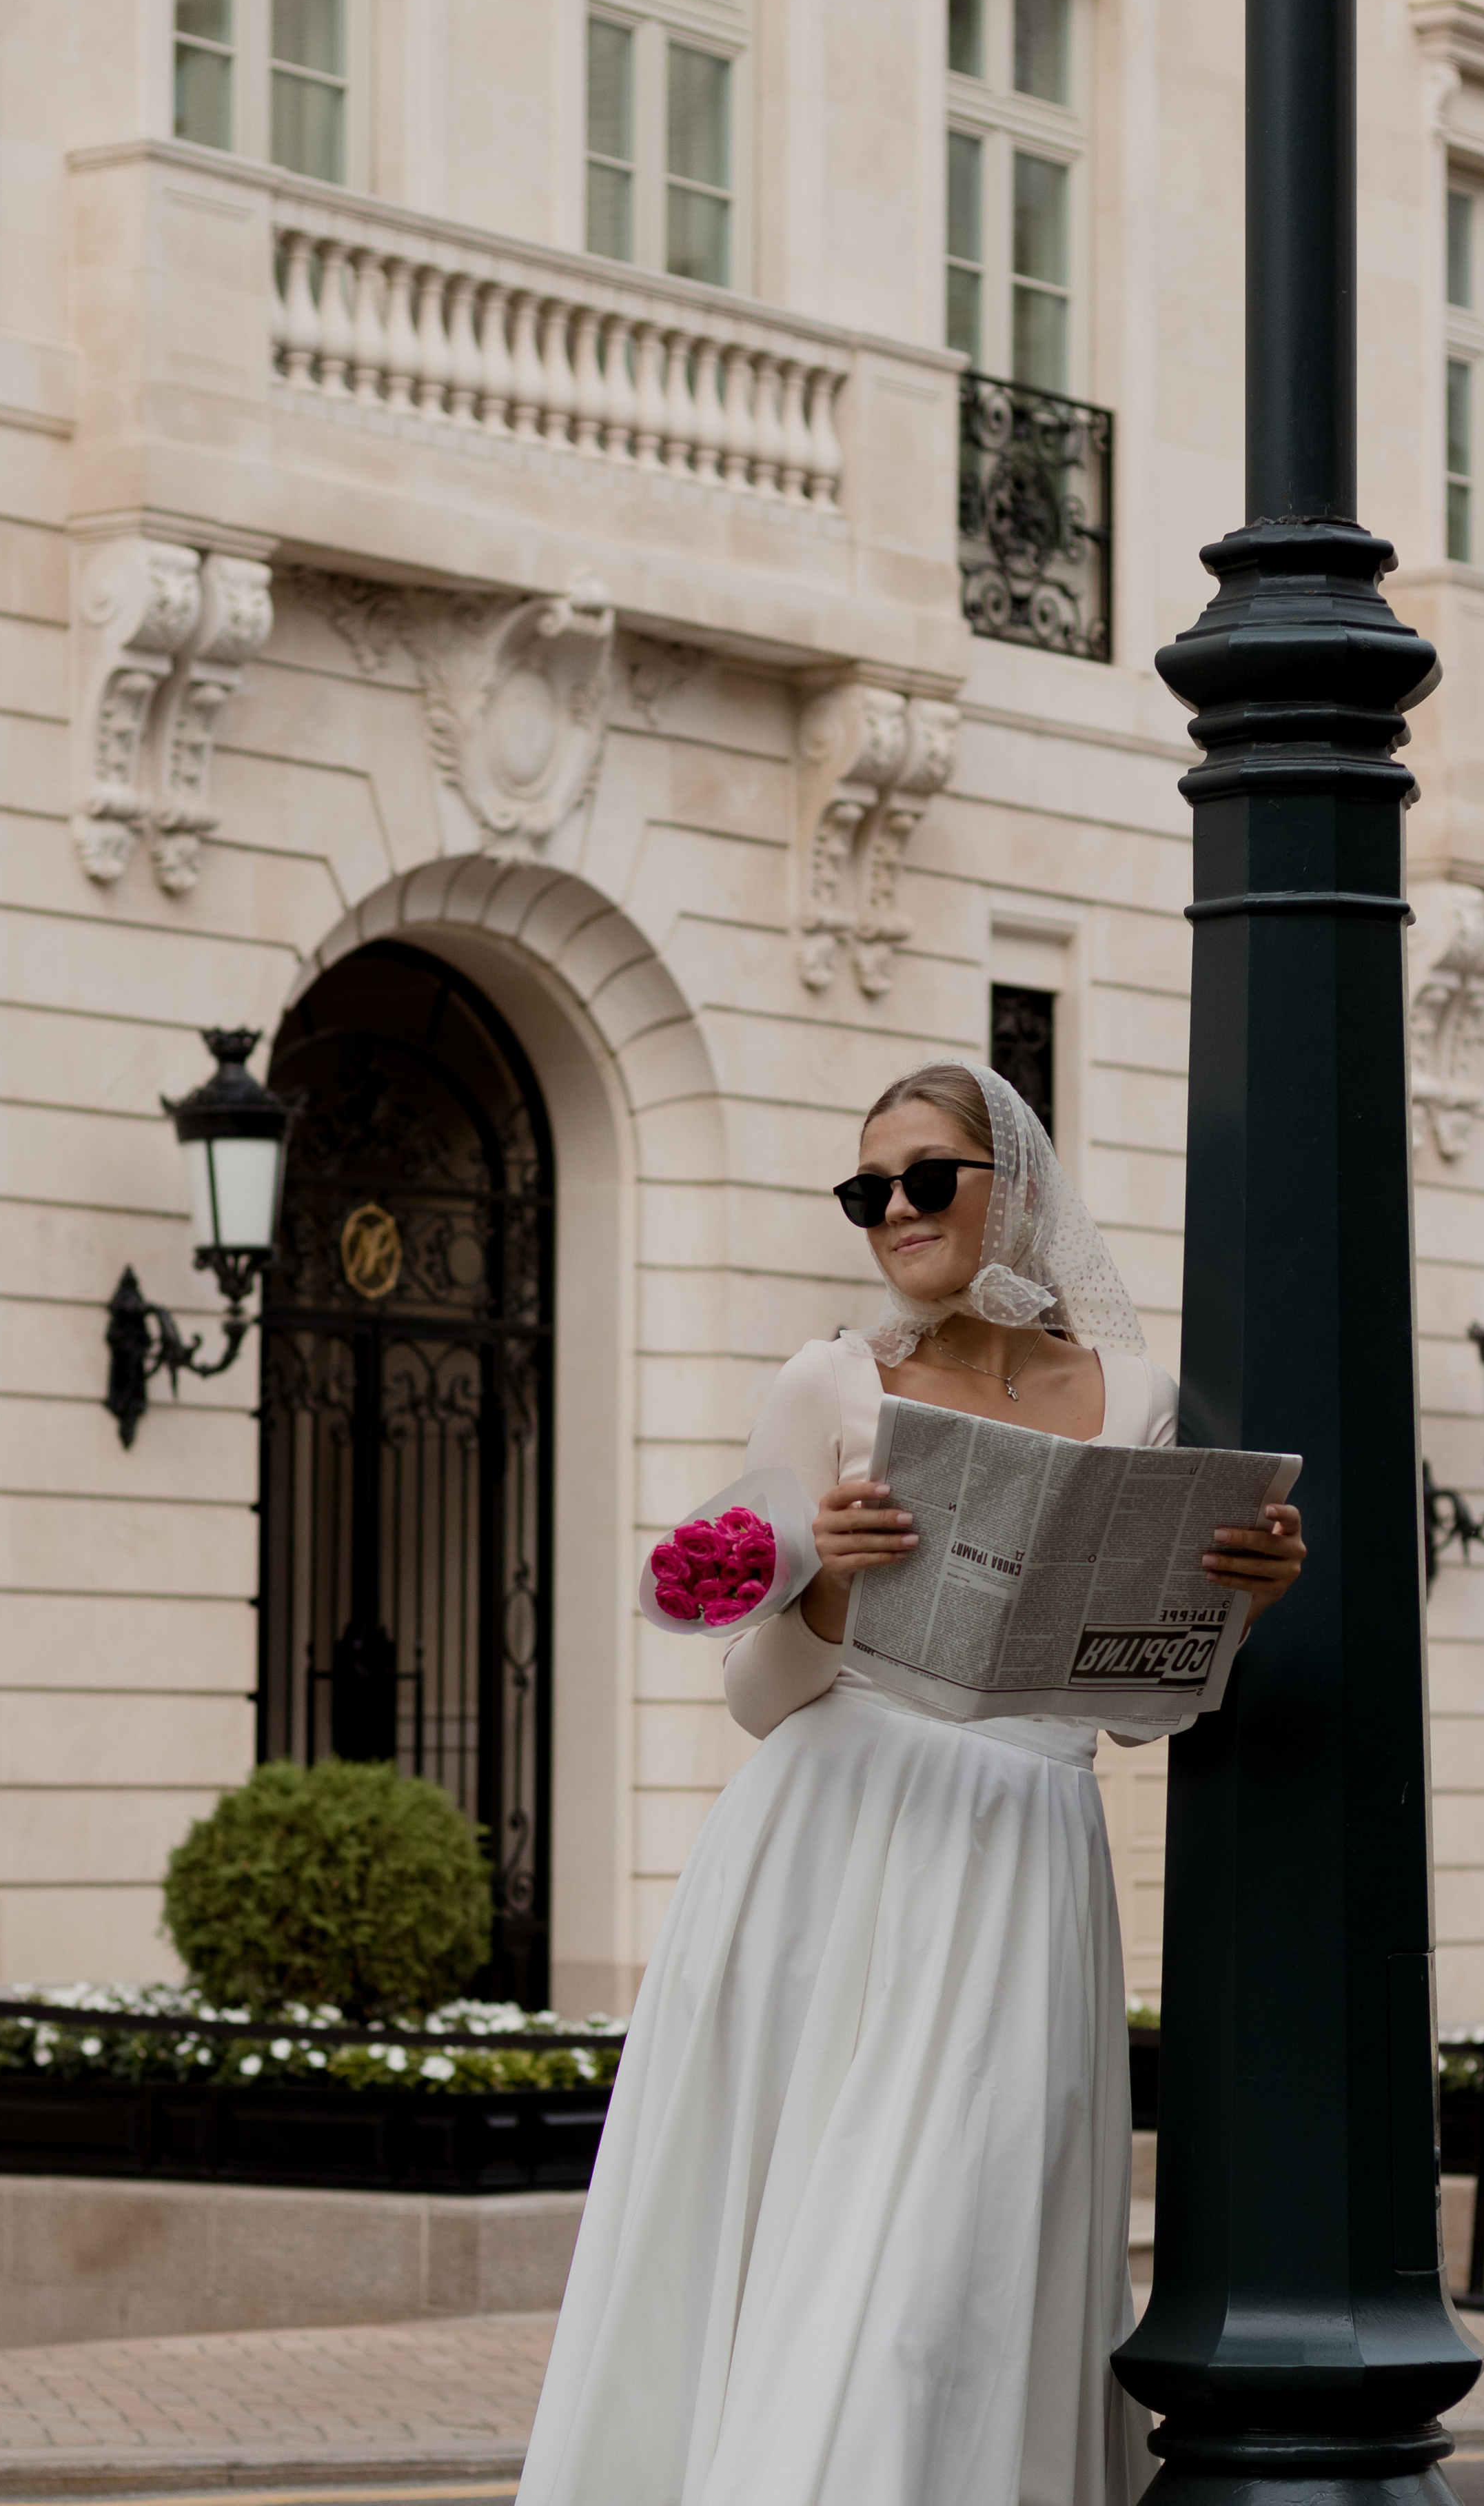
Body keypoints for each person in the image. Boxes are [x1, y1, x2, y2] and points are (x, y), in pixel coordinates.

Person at [516, 1059, 1305, 2506]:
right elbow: (754, 1694)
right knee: (833, 2260)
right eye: (865, 1191)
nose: (893, 1211)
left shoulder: (1134, 1397)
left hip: (1021, 1861)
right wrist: (823, 1595)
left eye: (925, 1177)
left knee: (959, 2262)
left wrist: (1239, 1603)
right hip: (827, 1850)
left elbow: (1136, 1715)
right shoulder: (830, 1381)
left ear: (1017, 1188)